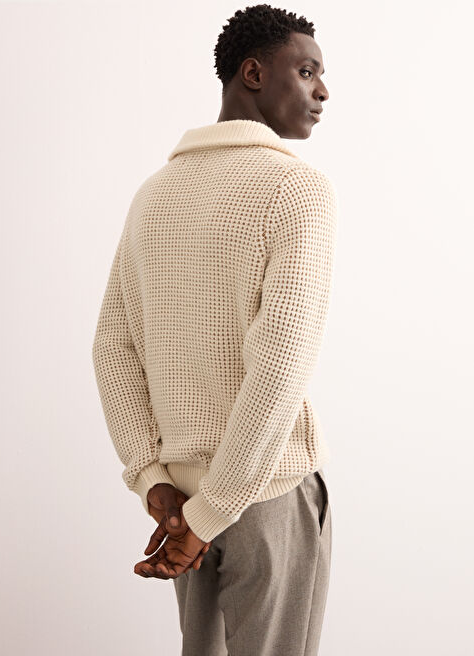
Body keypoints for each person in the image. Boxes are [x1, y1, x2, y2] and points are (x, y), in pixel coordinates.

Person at [92, 4, 337, 654]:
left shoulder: (154, 194)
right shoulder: (296, 190)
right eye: (306, 71)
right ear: (252, 73)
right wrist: (213, 510)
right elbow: (279, 366)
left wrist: (156, 481)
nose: (322, 91)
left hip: (180, 501)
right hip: (264, 496)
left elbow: (113, 347)